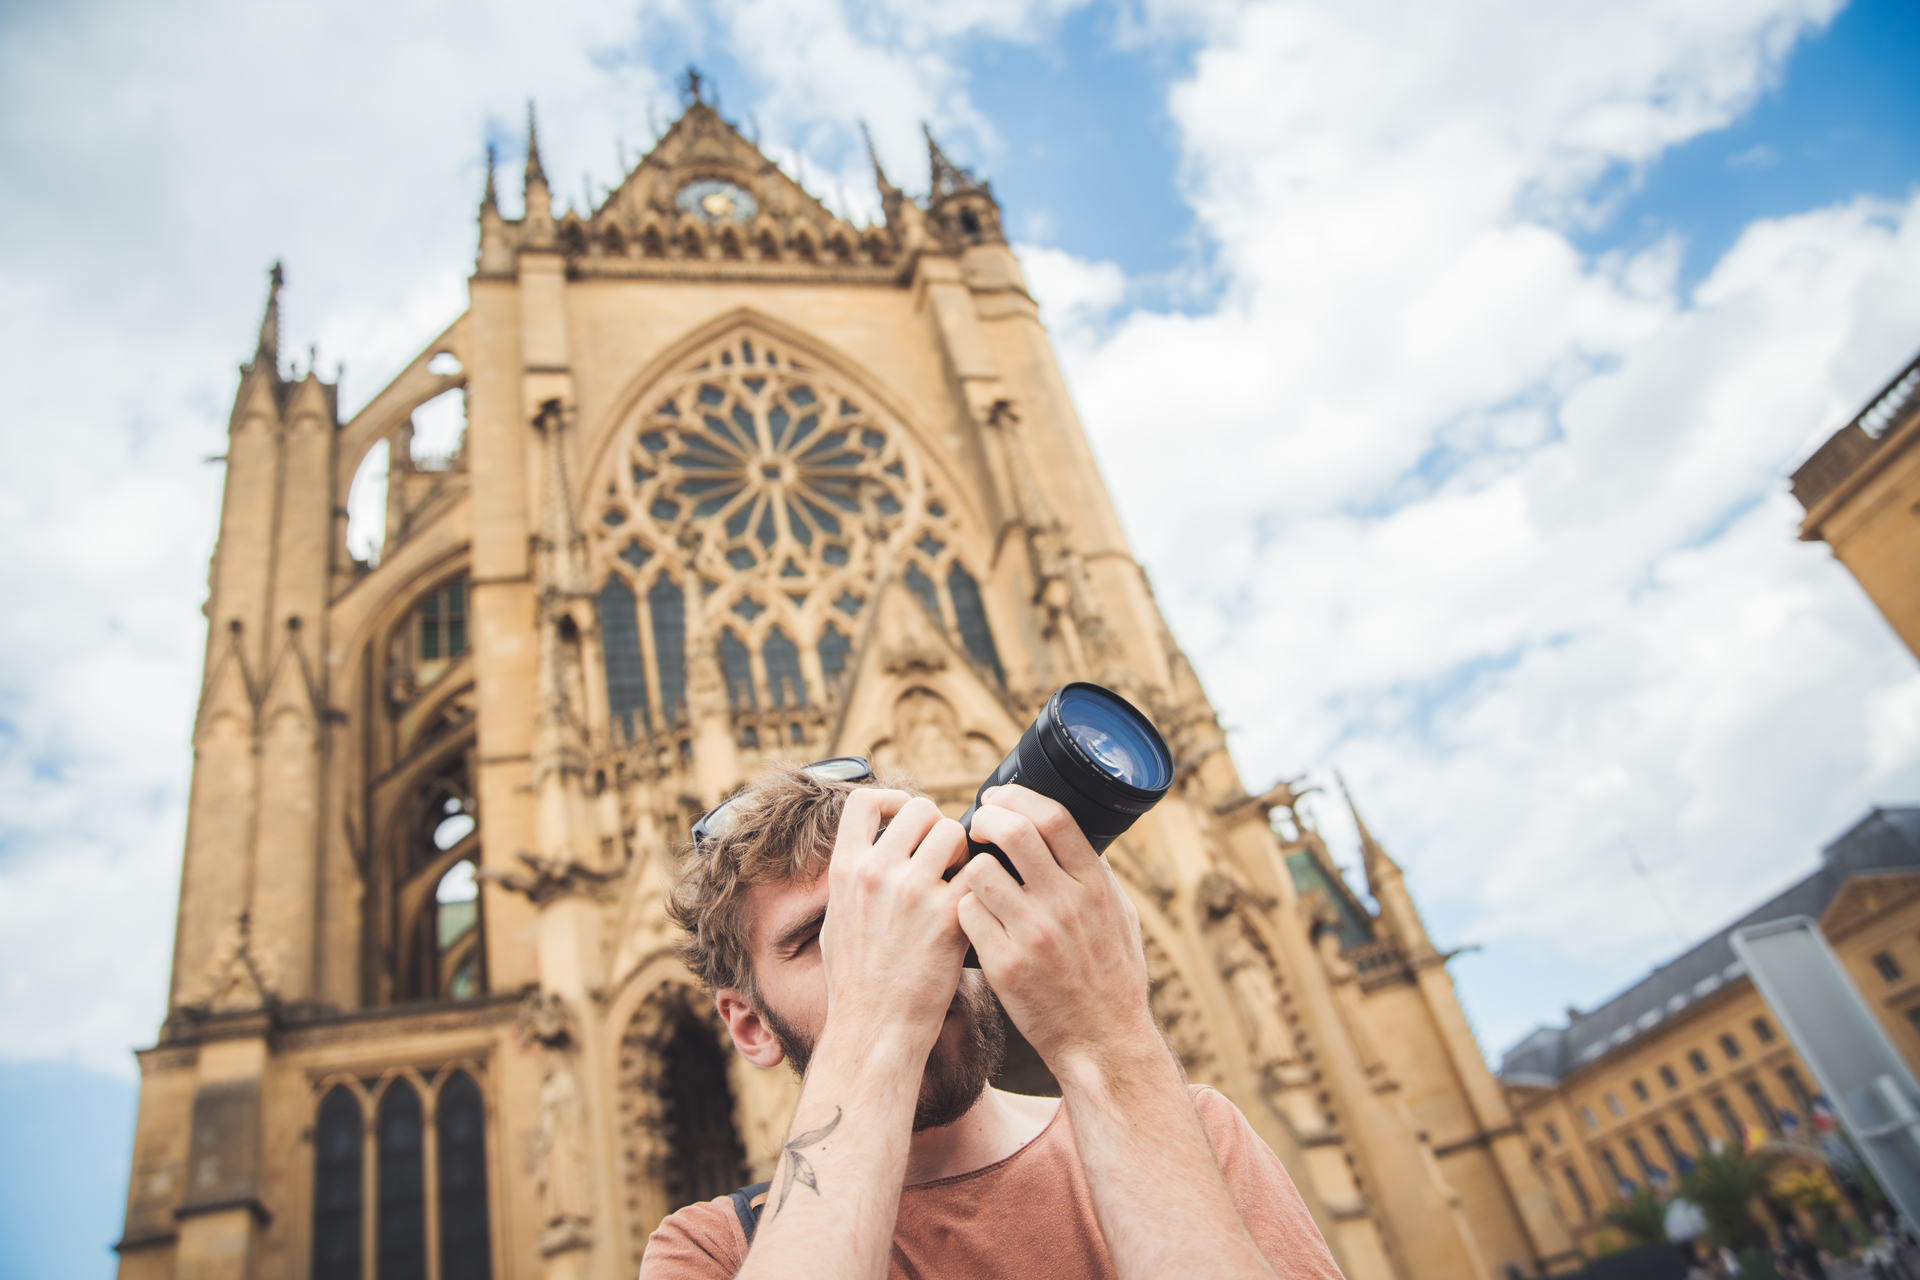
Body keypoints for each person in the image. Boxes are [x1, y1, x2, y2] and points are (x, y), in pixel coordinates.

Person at [641, 761, 1345, 1280]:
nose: (895, 946)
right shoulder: (714, 1250)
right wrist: (879, 1025)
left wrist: (1109, 1039)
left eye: (918, 898)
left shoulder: (1197, 1134)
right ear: (750, 1026)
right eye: (825, 938)